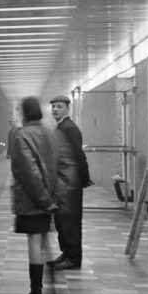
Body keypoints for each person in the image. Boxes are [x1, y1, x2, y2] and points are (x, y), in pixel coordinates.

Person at [9, 96, 59, 294]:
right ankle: (52, 278)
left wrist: (43, 200)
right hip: (50, 194)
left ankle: (36, 290)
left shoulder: (22, 137)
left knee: (35, 240)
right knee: (45, 239)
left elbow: (30, 173)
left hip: (33, 199)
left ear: (24, 113)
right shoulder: (49, 132)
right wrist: (51, 198)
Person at [49, 94, 92, 271]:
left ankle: (74, 258)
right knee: (62, 221)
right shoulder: (61, 127)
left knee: (70, 222)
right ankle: (66, 253)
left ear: (68, 108)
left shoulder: (69, 128)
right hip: (63, 183)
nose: (55, 109)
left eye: (59, 106)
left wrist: (83, 179)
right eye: (53, 106)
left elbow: (78, 156)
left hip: (70, 184)